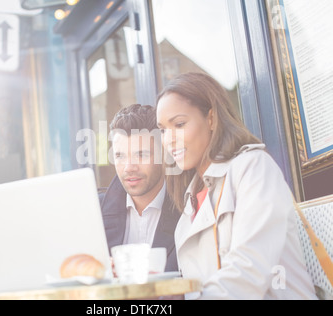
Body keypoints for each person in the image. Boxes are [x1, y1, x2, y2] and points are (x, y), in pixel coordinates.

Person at [156, 72, 317, 299]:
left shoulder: (253, 167)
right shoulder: (189, 200)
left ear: (211, 119)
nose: (169, 140)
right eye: (162, 130)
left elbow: (250, 268)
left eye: (179, 124)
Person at [100, 104, 180, 272]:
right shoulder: (94, 211)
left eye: (141, 154)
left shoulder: (188, 207)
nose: (129, 167)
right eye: (119, 156)